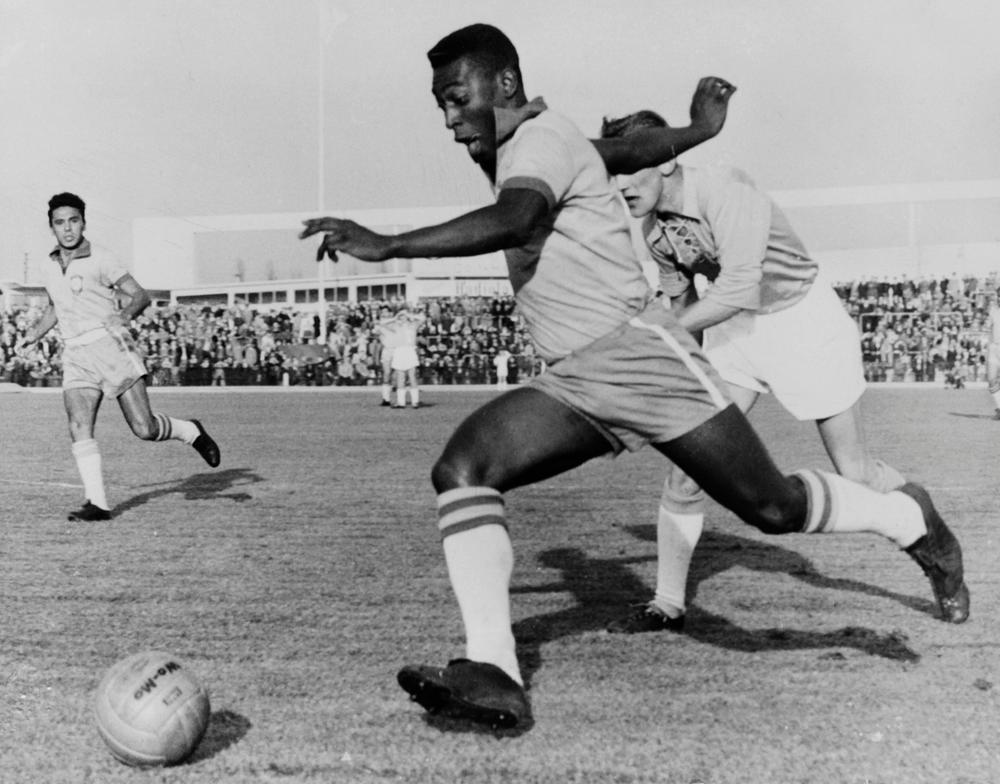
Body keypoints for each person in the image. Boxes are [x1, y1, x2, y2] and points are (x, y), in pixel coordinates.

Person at [299, 24, 967, 730]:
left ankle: (909, 520)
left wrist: (391, 244)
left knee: (771, 509)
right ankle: (493, 671)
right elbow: (625, 151)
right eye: (438, 104)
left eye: (456, 98)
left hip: (644, 360)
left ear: (502, 85)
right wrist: (695, 129)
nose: (447, 118)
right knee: (463, 468)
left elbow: (515, 216)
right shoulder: (542, 138)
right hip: (577, 379)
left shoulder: (538, 144)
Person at [599, 109, 907, 634]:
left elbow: (736, 287)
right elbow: (684, 312)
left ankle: (921, 521)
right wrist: (665, 378)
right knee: (689, 463)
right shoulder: (654, 232)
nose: (620, 184)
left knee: (854, 473)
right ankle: (667, 603)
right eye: (614, 170)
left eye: (631, 167)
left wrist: (653, 337)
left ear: (669, 160)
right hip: (736, 329)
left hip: (800, 319)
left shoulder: (722, 188)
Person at [18, 193, 221, 522]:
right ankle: (97, 504)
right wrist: (33, 335)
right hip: (76, 353)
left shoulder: (102, 258)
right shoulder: (47, 264)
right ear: (52, 227)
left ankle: (190, 431)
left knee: (145, 428)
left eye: (73, 220)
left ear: (83, 222)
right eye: (60, 222)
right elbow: (55, 307)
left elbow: (139, 295)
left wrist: (125, 315)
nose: (67, 228)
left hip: (111, 347)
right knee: (78, 424)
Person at [389, 306, 424, 408]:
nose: (403, 318)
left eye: (404, 316)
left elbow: (422, 319)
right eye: (401, 317)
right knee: (400, 377)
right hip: (399, 351)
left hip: (410, 350)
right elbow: (382, 323)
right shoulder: (396, 326)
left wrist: (408, 314)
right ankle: (401, 402)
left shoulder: (413, 325)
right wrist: (395, 317)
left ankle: (415, 401)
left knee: (412, 376)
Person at [986, 288, 1000, 419]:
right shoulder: (993, 310)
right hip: (994, 348)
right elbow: (987, 326)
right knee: (991, 380)